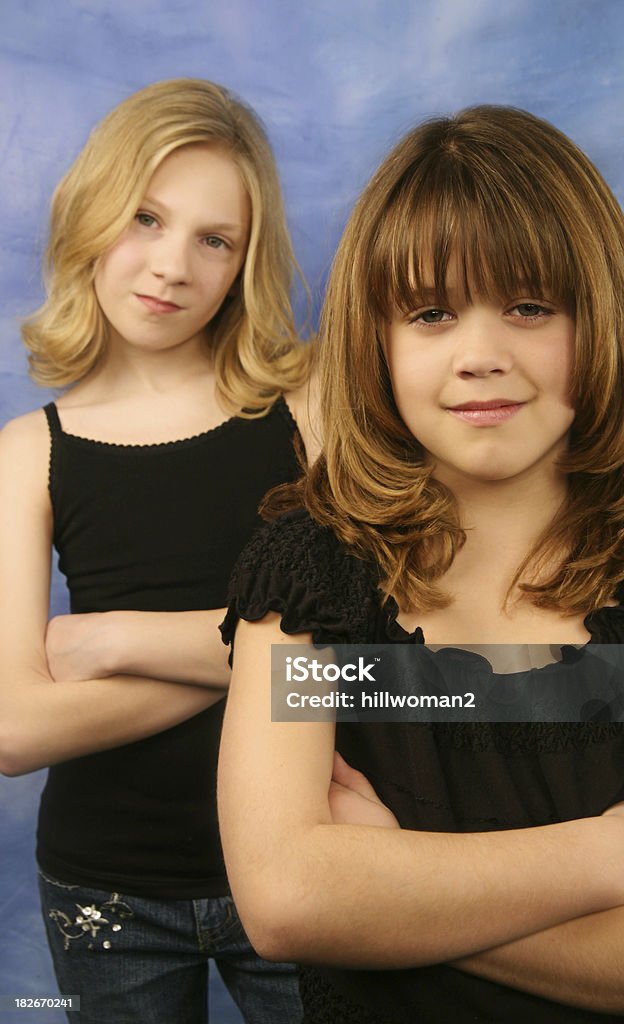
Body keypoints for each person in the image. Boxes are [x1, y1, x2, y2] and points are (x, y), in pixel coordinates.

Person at [217, 105, 624, 1023]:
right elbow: (286, 901)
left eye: (528, 307)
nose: (480, 357)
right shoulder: (312, 570)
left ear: (603, 320)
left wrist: (394, 905)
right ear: (376, 341)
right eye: (431, 313)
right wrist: (615, 858)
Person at [0, 78, 318, 1023]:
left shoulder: (307, 409)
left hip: (309, 854)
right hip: (107, 890)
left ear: (243, 263)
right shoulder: (26, 454)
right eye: (145, 217)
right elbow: (15, 731)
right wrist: (270, 662)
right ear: (92, 211)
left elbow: (381, 649)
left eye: (213, 239)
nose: (171, 265)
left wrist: (117, 640)